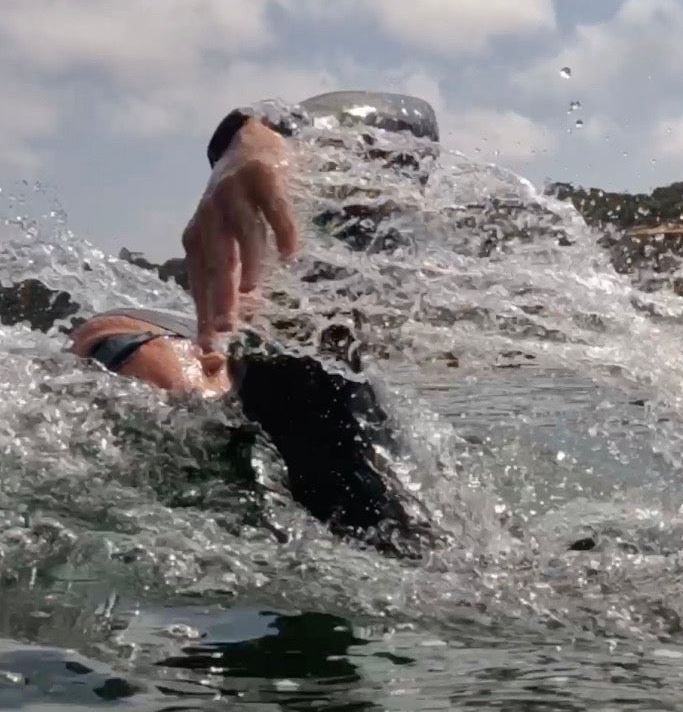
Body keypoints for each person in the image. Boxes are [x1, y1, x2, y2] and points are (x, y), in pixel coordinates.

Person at [69, 92, 443, 557]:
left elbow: (415, 126)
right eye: (114, 353)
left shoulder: (330, 373)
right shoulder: (262, 375)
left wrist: (256, 135)